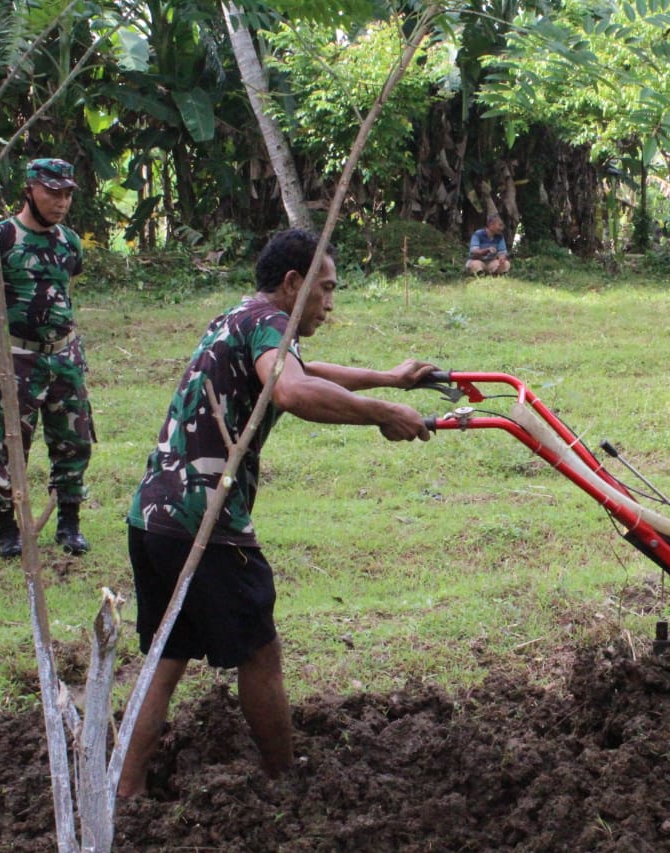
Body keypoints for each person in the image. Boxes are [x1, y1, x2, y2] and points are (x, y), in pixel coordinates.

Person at [118, 228, 438, 798]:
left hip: (153, 515)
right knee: (261, 654)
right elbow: (292, 391)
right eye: (326, 290)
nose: (331, 304)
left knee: (165, 659)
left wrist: (389, 377)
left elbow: (305, 372)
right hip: (205, 520)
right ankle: (286, 782)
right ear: (293, 284)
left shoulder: (238, 316)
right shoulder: (268, 323)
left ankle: (125, 792)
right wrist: (383, 412)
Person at [0, 157, 95, 558]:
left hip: (64, 358)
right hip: (16, 359)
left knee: (74, 440)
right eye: (53, 192)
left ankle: (68, 524)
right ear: (30, 190)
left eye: (67, 194)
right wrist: (0, 348)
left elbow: (64, 293)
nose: (61, 202)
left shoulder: (68, 242)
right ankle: (7, 528)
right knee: (8, 443)